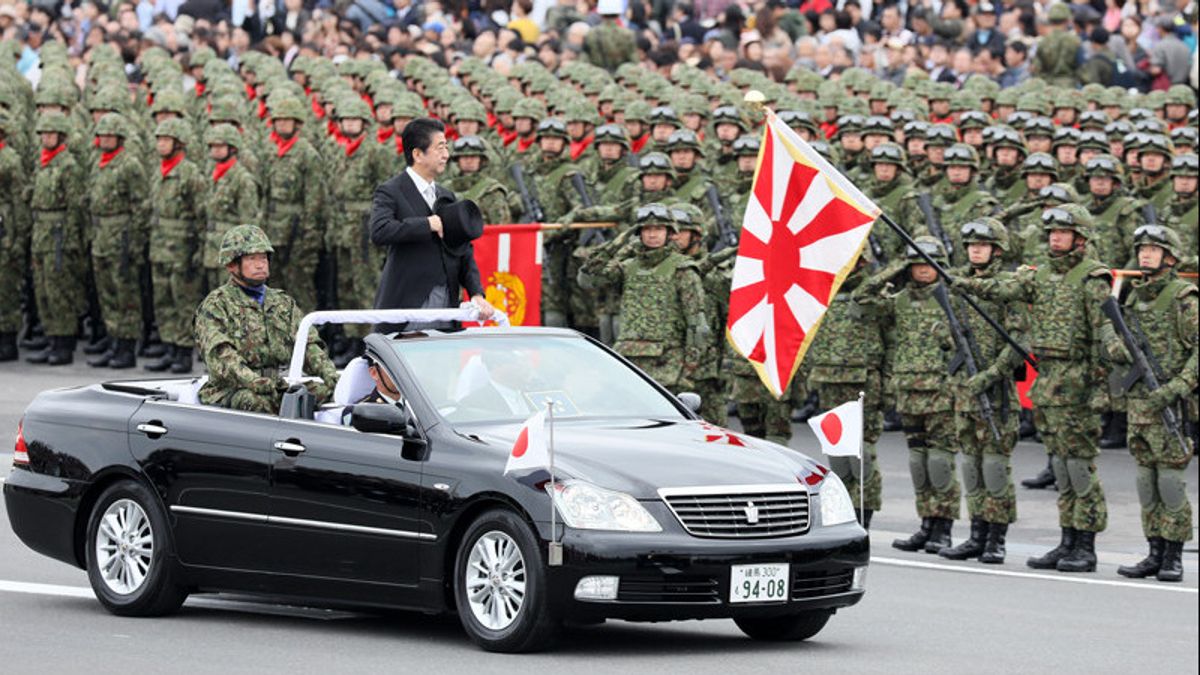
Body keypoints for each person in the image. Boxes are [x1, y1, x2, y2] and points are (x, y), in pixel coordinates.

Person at [957, 204, 1118, 573]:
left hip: (1077, 382)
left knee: (1079, 467)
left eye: (1063, 232)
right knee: (1060, 466)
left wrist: (1100, 389)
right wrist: (965, 282)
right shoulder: (1040, 273)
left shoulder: (1093, 278)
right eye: (1052, 233)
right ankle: (1066, 541)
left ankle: (1085, 545)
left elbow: (1103, 336)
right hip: (1048, 382)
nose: (1055, 238)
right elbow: (1002, 288)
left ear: (1080, 236)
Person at [857, 237, 961, 555]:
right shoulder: (899, 300)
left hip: (941, 391)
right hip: (908, 390)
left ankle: (943, 528)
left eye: (928, 264)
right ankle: (925, 524)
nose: (922, 270)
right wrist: (893, 270)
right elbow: (862, 297)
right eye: (916, 264)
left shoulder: (952, 299)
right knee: (918, 462)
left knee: (941, 461)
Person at [1109, 225, 1196, 583]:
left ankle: (1173, 556)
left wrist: (1175, 387)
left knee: (1171, 479)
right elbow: (1122, 346)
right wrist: (1113, 345)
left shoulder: (1183, 298)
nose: (1145, 254)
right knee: (1146, 479)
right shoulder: (1133, 296)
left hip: (1170, 402)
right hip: (1139, 402)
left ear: (1170, 257)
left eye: (1153, 250)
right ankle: (1154, 551)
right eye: (1142, 249)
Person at [194, 225, 338, 413]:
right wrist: (252, 381)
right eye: (252, 259)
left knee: (330, 393)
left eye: (263, 258)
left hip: (274, 385)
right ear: (232, 265)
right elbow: (221, 355)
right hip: (231, 389)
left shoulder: (282, 303)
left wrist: (331, 376)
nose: (260, 264)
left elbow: (307, 346)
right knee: (254, 401)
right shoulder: (216, 305)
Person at [370, 117, 494, 327]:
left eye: (446, 147)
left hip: (447, 300)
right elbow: (380, 231)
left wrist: (476, 293)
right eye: (439, 148)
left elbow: (463, 250)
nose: (446, 155)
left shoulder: (446, 196)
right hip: (408, 303)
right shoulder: (391, 191)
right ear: (417, 154)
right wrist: (426, 224)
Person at [145, 118, 207, 374]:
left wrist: (197, 248)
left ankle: (183, 351)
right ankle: (168, 346)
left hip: (181, 247)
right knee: (163, 299)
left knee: (183, 299)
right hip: (159, 244)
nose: (161, 144)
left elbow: (201, 214)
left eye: (166, 139)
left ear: (179, 143)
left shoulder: (189, 172)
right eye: (159, 139)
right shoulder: (158, 170)